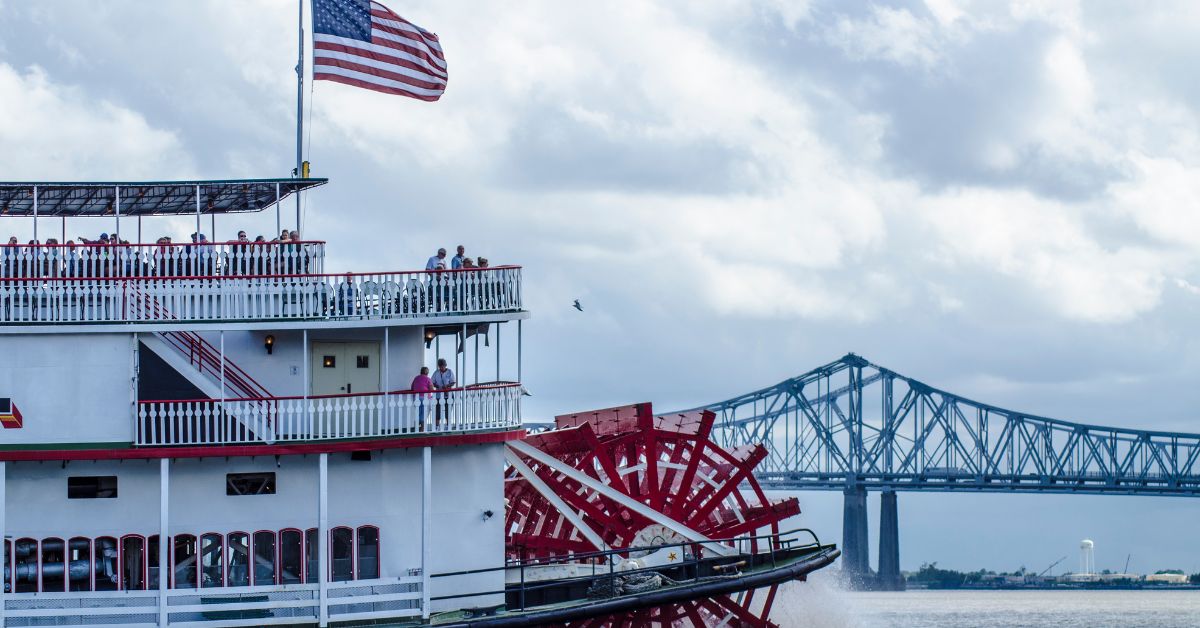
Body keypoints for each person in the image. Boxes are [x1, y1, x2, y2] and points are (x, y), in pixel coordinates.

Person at [431, 358, 456, 425]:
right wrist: (437, 386)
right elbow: (432, 382)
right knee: (438, 411)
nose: (442, 367)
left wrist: (447, 386)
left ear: (445, 365)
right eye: (440, 366)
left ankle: (448, 425)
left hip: (448, 394)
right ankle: (437, 426)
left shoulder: (450, 372)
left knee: (448, 411)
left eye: (443, 366)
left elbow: (453, 382)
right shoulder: (436, 372)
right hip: (439, 395)